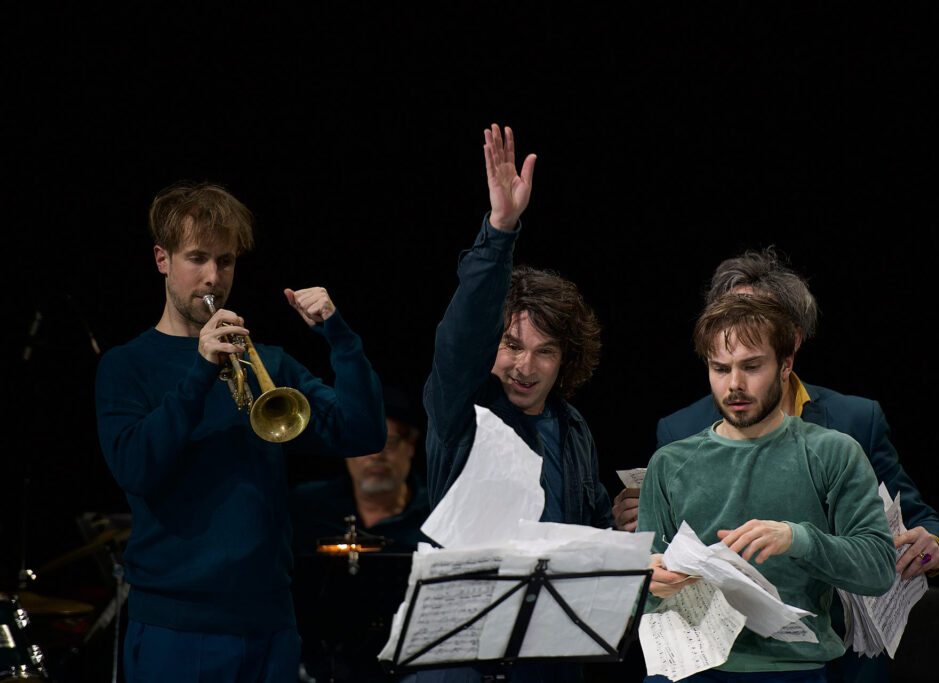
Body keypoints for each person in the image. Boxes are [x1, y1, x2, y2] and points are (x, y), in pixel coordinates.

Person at [95, 181, 386, 682]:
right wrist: (200, 371)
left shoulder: (267, 362)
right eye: (198, 257)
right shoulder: (126, 366)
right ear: (162, 260)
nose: (213, 277)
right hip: (176, 631)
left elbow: (362, 433)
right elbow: (136, 468)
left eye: (226, 261)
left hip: (271, 626)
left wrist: (338, 334)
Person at [625, 248, 939, 682]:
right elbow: (642, 589)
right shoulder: (672, 455)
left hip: (798, 659)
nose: (735, 383)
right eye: (721, 367)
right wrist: (647, 579)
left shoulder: (839, 444)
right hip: (690, 664)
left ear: (787, 356)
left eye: (751, 365)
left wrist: (795, 537)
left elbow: (880, 559)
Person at [419, 124, 613, 682]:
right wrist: (499, 232)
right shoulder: (462, 410)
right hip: (461, 651)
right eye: (511, 345)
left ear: (565, 360)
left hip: (550, 651)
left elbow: (589, 532)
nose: (524, 366)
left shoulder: (572, 428)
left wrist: (619, 527)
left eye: (544, 352)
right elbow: (459, 339)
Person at [289, 393, 430, 682]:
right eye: (365, 442)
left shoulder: (438, 516)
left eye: (388, 443)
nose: (376, 454)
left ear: (411, 446)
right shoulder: (303, 508)